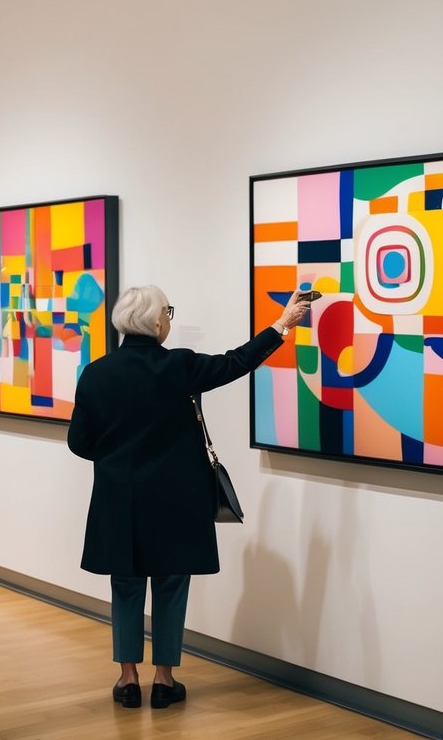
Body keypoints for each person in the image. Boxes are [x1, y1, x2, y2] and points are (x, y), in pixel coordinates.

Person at [67, 285, 312, 709]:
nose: (169, 319)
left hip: (118, 498)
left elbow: (79, 442)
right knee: (170, 583)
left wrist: (116, 460)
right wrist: (282, 325)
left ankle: (127, 680)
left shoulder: (96, 373)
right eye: (168, 312)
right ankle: (164, 680)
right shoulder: (179, 366)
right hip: (175, 497)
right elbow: (237, 362)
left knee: (126, 583)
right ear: (155, 321)